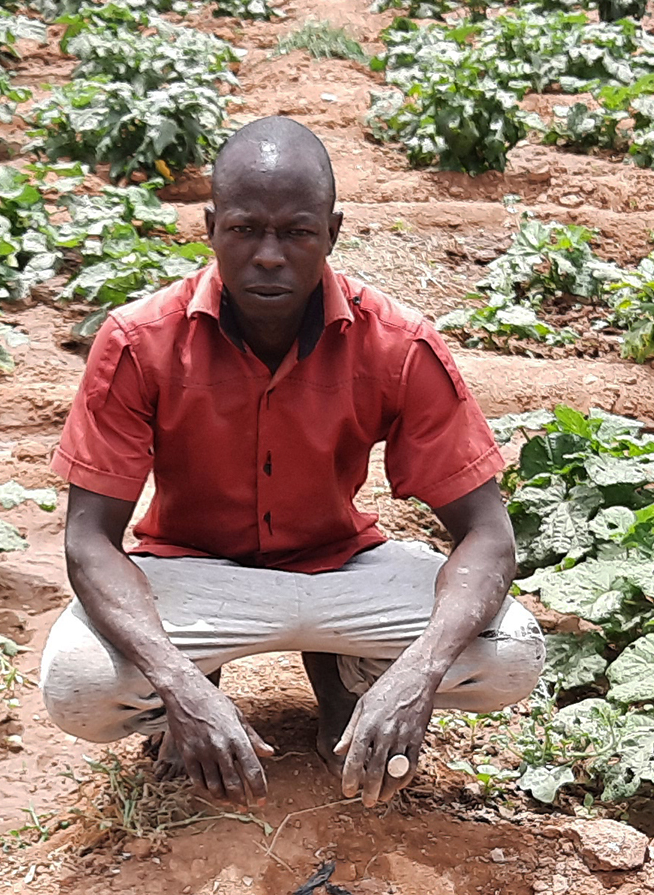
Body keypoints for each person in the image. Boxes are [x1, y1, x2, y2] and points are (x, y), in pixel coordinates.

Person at [38, 116, 542, 806]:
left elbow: (488, 533)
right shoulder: (139, 339)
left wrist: (417, 673)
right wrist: (177, 682)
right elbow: (88, 539)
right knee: (79, 683)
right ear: (211, 226)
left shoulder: (397, 343)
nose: (269, 254)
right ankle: (199, 690)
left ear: (332, 232)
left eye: (296, 232)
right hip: (193, 573)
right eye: (246, 229)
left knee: (510, 652)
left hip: (339, 567)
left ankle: (354, 679)